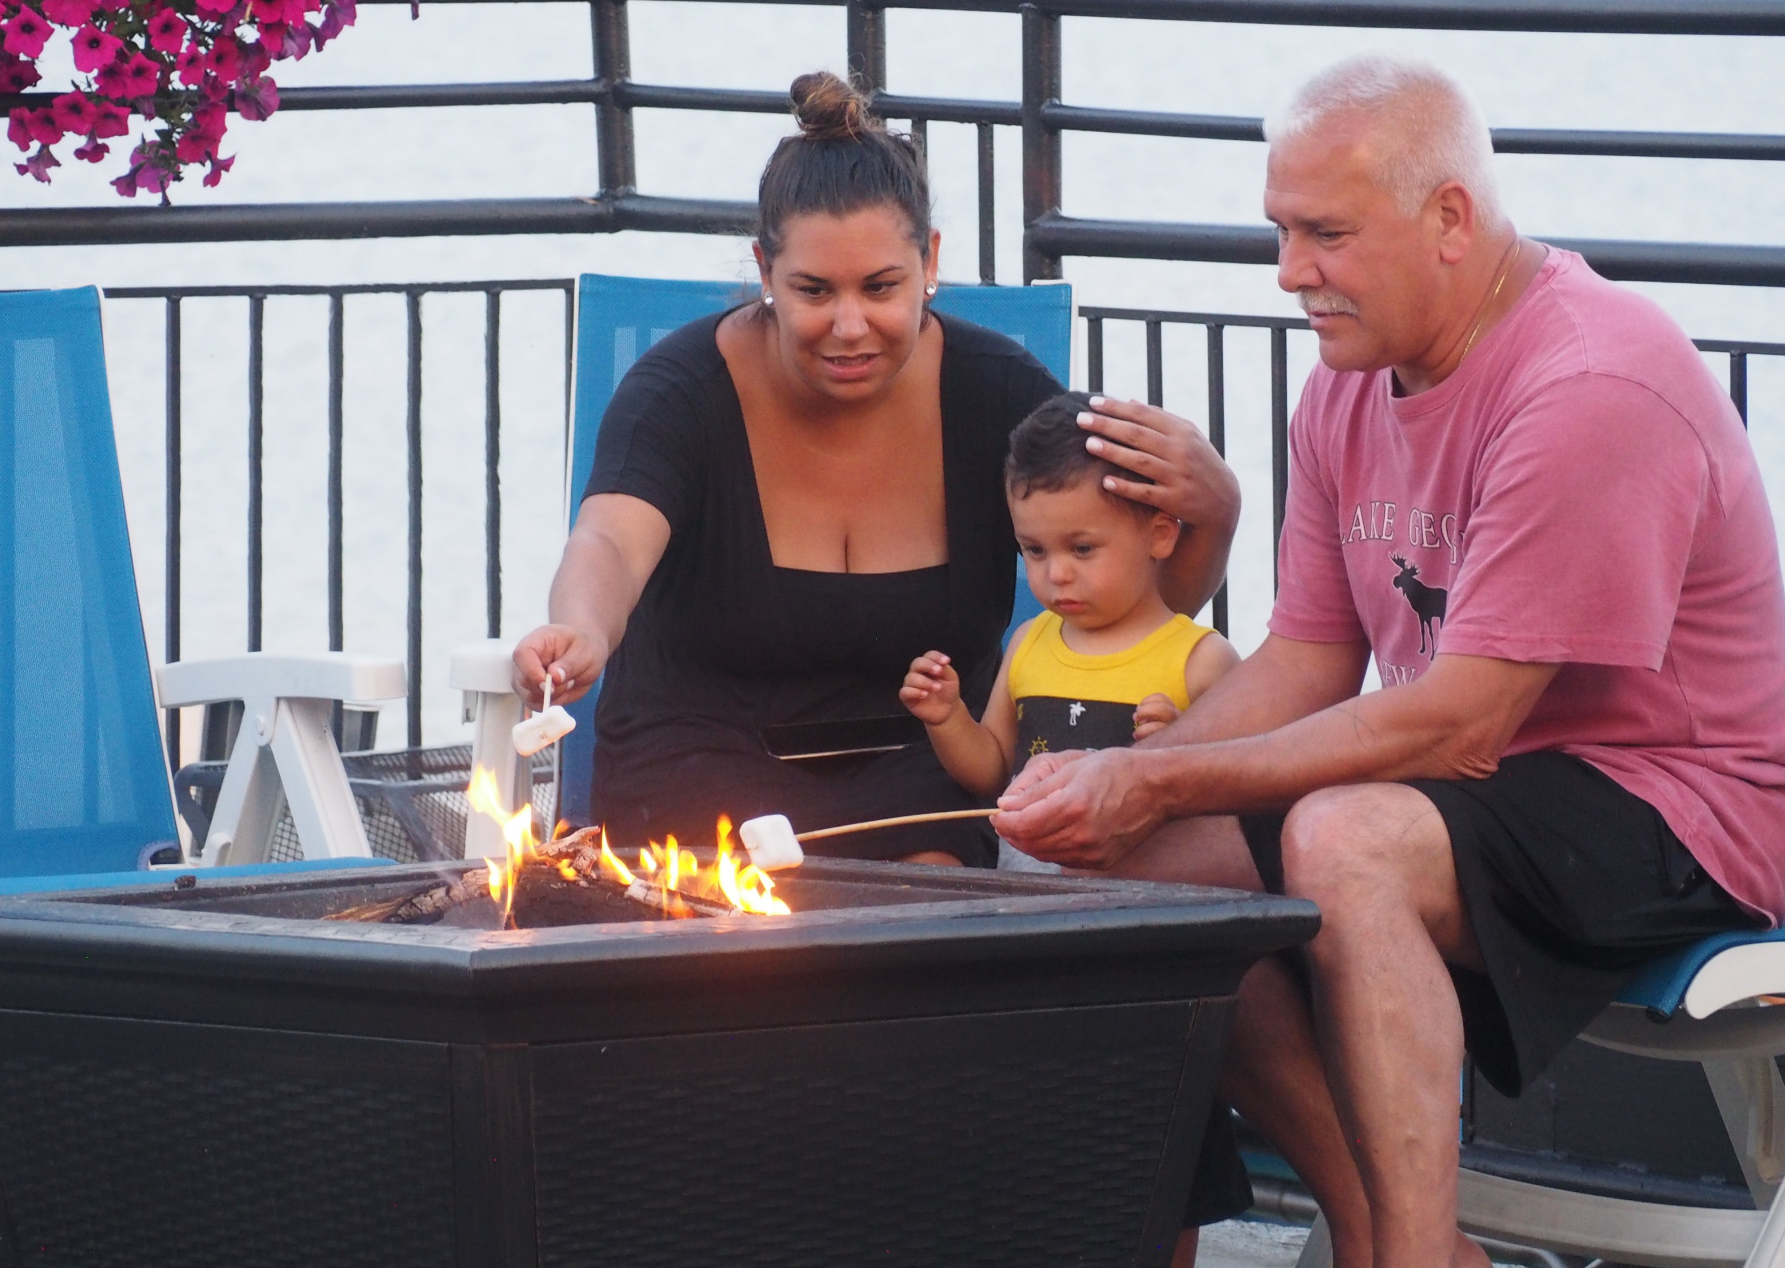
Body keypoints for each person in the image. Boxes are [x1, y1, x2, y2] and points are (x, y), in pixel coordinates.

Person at [991, 55, 1785, 1268]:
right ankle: (1387, 1230)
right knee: (1134, 874)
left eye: (1325, 233)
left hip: (1680, 809)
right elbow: (1308, 663)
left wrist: (1160, 777)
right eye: (1278, 231)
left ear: (1448, 220)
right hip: (1478, 797)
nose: (1288, 274)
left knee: (1340, 836)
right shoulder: (1346, 390)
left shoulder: (1585, 382)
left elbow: (1457, 726)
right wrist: (1107, 786)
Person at [511, 71, 1240, 866]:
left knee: (926, 899)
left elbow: (1137, 601)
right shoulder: (677, 393)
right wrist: (581, 628)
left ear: (929, 260)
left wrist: (1219, 511)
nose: (849, 326)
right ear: (764, 271)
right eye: (814, 290)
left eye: (882, 287)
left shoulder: (1000, 392)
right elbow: (611, 542)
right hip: (697, 776)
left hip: (924, 774)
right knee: (753, 933)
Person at [899, 390, 1239, 833]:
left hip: (1153, 893)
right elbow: (993, 770)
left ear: (1159, 535)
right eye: (1035, 550)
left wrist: (1176, 747)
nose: (1056, 573)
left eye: (1082, 548)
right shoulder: (1029, 642)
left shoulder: (1201, 659)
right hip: (1030, 890)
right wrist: (948, 718)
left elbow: (1239, 796)